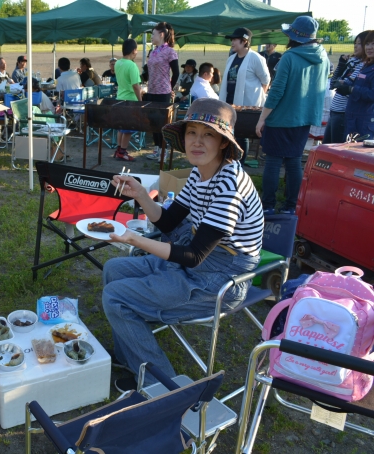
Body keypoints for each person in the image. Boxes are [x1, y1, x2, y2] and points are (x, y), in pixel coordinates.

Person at [103, 98, 263, 391]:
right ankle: (130, 357)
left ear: (223, 143)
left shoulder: (230, 185)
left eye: (208, 134)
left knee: (116, 297)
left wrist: (135, 239)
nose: (197, 141)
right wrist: (141, 195)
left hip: (222, 279)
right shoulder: (199, 174)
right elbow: (168, 222)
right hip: (196, 261)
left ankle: (162, 387)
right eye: (192, 132)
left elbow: (193, 255)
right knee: (114, 270)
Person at [256, 16, 329, 215]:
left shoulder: (289, 57)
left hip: (281, 117)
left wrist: (262, 118)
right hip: (304, 118)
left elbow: (276, 91)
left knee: (273, 162)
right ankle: (290, 207)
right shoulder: (323, 56)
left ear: (294, 36)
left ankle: (268, 206)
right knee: (294, 162)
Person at [219, 27, 270, 164]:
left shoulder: (256, 58)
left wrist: (256, 97)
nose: (232, 42)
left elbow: (266, 80)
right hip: (229, 101)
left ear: (244, 41)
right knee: (230, 133)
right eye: (232, 39)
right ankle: (229, 162)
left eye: (235, 39)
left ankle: (240, 164)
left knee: (242, 134)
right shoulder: (231, 58)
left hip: (246, 104)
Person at [326, 30, 370, 142]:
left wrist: (347, 87)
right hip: (335, 110)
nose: (355, 46)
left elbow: (345, 86)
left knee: (335, 147)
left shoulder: (362, 66)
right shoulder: (351, 62)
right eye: (355, 43)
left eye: (359, 43)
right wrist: (341, 65)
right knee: (327, 145)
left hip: (343, 113)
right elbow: (333, 84)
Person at [144, 22, 179, 160]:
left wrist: (170, 87)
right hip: (151, 91)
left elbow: (176, 73)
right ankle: (157, 149)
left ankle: (164, 151)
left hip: (163, 92)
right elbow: (148, 71)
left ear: (162, 34)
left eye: (153, 34)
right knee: (153, 123)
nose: (151, 37)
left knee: (162, 124)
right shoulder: (152, 52)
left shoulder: (170, 51)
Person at [342, 30, 374, 140]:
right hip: (353, 119)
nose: (369, 48)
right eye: (367, 44)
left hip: (365, 122)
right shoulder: (366, 66)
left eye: (373, 44)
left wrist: (352, 89)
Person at [113, 38, 142, 162]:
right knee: (128, 129)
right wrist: (140, 100)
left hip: (119, 97)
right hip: (130, 99)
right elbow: (136, 86)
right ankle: (123, 152)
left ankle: (119, 150)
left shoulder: (117, 63)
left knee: (121, 127)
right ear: (134, 50)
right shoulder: (132, 65)